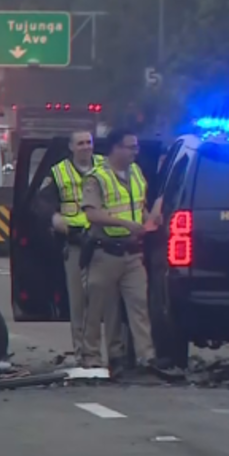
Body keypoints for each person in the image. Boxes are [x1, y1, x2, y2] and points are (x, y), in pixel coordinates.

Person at [78, 128, 159, 372]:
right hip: (105, 253)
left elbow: (138, 206)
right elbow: (91, 213)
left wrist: (150, 221)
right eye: (131, 146)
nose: (136, 151)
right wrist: (125, 224)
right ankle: (92, 357)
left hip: (133, 254)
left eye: (136, 147)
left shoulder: (135, 172)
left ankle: (146, 357)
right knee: (98, 310)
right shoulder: (97, 177)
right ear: (116, 148)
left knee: (139, 305)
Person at [37, 132, 122, 363]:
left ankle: (116, 355)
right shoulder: (59, 172)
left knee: (111, 302)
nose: (86, 147)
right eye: (81, 143)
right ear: (71, 147)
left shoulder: (107, 166)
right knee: (79, 303)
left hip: (106, 243)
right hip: (76, 244)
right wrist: (53, 218)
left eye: (89, 143)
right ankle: (84, 355)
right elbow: (41, 203)